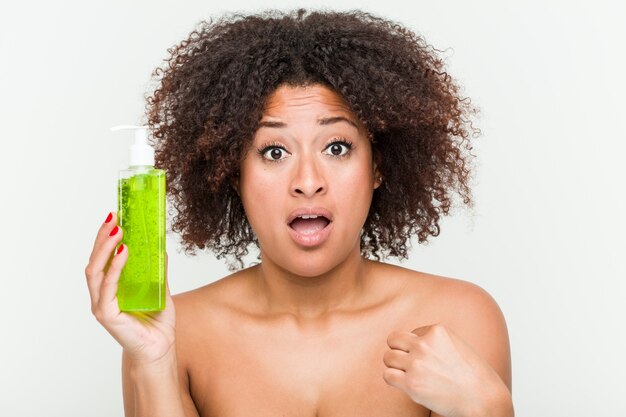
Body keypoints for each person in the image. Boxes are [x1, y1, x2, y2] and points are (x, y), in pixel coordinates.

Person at [85, 9, 513, 417]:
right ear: (234, 174)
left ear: (378, 166)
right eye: (274, 151)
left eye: (337, 147)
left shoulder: (459, 320)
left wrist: (490, 408)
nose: (308, 181)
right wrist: (152, 361)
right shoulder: (177, 334)